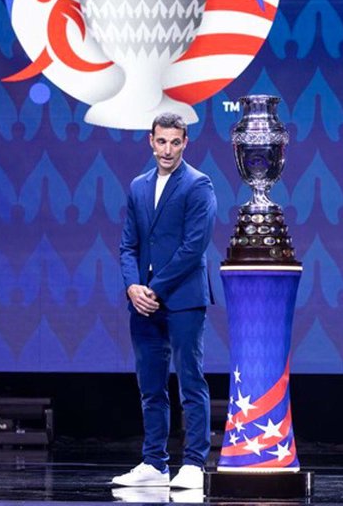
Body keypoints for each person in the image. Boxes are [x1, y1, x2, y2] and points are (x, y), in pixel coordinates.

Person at [112, 113, 217, 490]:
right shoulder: (138, 186)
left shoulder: (197, 184)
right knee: (151, 385)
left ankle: (193, 463)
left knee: (190, 379)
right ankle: (154, 462)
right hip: (142, 303)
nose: (168, 150)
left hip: (183, 299)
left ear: (185, 142)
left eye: (175, 142)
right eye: (162, 142)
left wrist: (154, 288)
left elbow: (194, 248)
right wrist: (132, 288)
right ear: (150, 141)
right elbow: (128, 245)